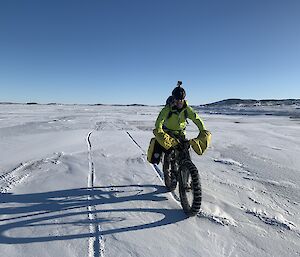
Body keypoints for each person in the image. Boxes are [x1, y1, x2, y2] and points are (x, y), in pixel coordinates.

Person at [153, 81, 211, 155]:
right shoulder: (167, 109)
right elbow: (159, 121)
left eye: (181, 99)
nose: (179, 102)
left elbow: (196, 119)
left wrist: (203, 130)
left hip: (181, 134)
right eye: (176, 99)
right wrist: (159, 131)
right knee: (167, 150)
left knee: (184, 153)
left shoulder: (187, 109)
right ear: (173, 99)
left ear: (183, 99)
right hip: (167, 133)